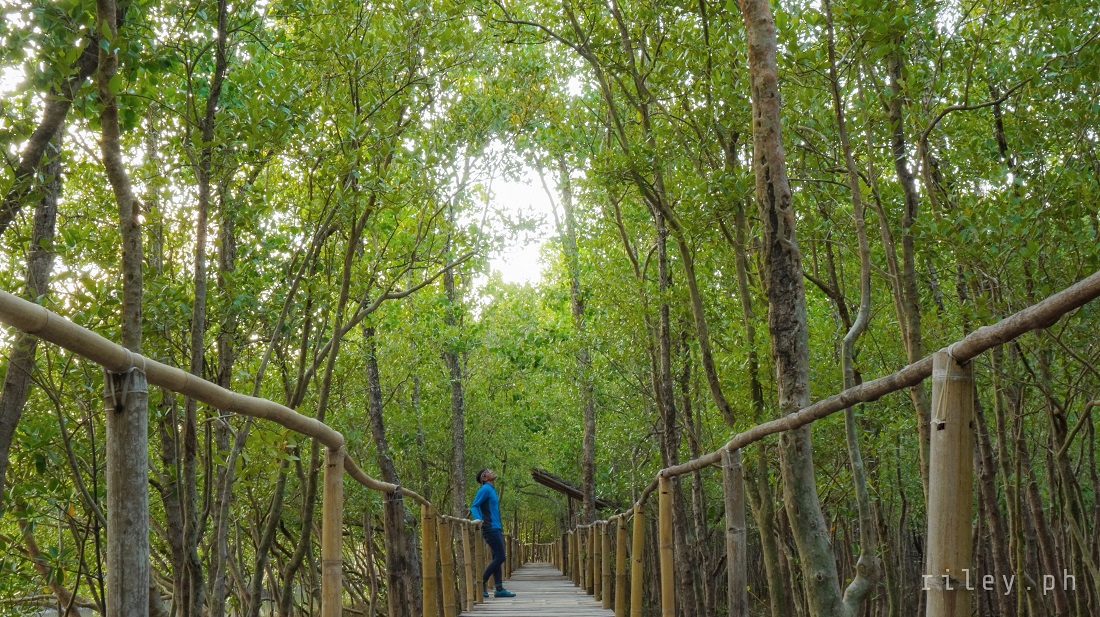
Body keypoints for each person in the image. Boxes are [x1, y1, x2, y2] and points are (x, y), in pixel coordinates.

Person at [470, 468, 516, 598]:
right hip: (490, 528)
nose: (492, 471)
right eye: (488, 471)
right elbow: (474, 506)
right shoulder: (484, 489)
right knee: (501, 556)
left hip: (496, 527)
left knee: (497, 556)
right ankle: (481, 583)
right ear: (484, 478)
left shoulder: (491, 490)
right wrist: (478, 518)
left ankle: (499, 589)